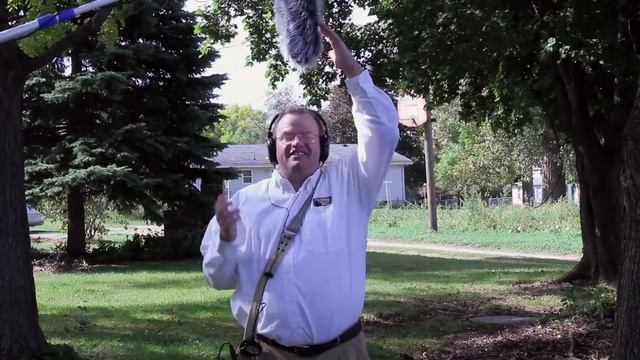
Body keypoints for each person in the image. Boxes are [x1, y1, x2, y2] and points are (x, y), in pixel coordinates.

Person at [200, 24, 399, 359]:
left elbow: (383, 131)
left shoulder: (352, 182)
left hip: (343, 351)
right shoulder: (242, 204)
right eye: (287, 136)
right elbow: (218, 280)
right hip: (267, 352)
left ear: (321, 145)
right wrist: (226, 239)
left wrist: (353, 73)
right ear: (272, 147)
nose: (297, 142)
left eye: (307, 136)